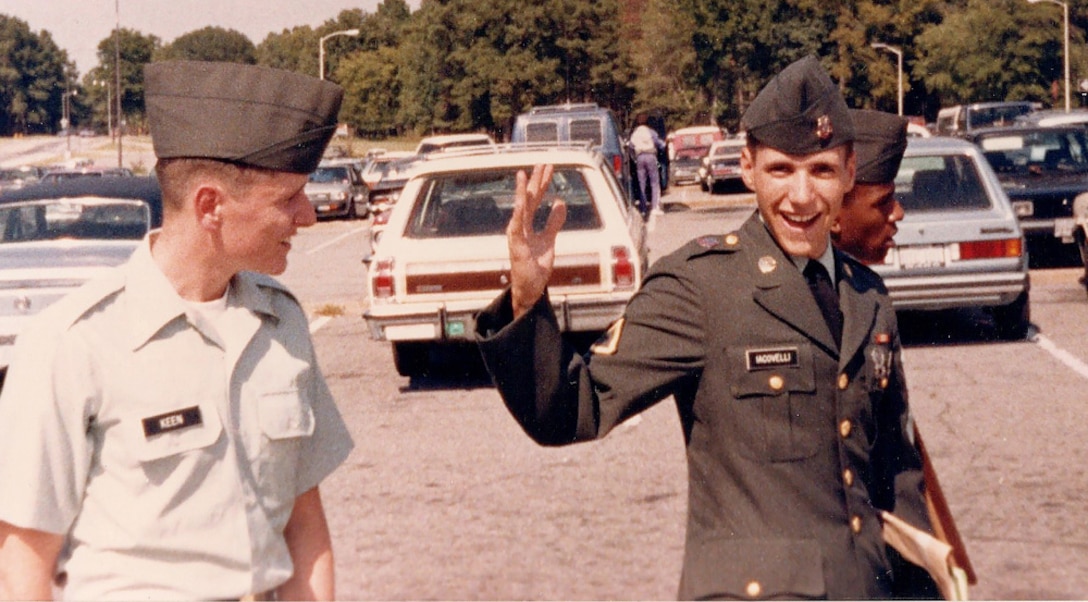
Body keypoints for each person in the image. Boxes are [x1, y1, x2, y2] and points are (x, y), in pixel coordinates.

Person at [475, 55, 938, 599]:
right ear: (747, 168)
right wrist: (528, 297)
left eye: (821, 171)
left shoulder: (867, 296)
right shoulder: (699, 288)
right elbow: (572, 409)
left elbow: (897, 476)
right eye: (781, 170)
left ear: (850, 174)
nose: (801, 196)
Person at [0, 61, 354, 600]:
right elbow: (23, 563)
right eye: (288, 199)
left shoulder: (282, 322)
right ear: (210, 206)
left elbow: (304, 529)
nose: (307, 216)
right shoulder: (72, 343)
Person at [832, 109, 907, 265]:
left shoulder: (859, 283)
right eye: (883, 202)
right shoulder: (801, 287)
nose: (898, 213)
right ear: (833, 217)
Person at [630, 112, 667, 218]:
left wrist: (634, 157)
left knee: (642, 182)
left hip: (640, 158)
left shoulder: (635, 133)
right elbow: (660, 144)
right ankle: (655, 207)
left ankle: (643, 207)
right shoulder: (651, 132)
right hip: (651, 156)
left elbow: (631, 146)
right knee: (654, 182)